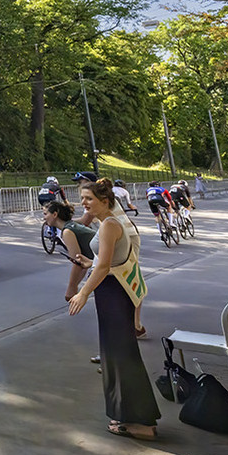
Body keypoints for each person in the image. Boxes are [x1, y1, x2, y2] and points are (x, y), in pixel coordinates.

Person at [69, 179, 161, 440]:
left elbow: (104, 266)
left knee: (121, 355)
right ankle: (130, 415)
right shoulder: (107, 223)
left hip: (114, 294)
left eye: (88, 199)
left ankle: (141, 423)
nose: (83, 203)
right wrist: (90, 260)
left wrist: (83, 292)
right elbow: (105, 260)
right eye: (82, 198)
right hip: (112, 292)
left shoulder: (110, 224)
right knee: (116, 354)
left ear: (105, 201)